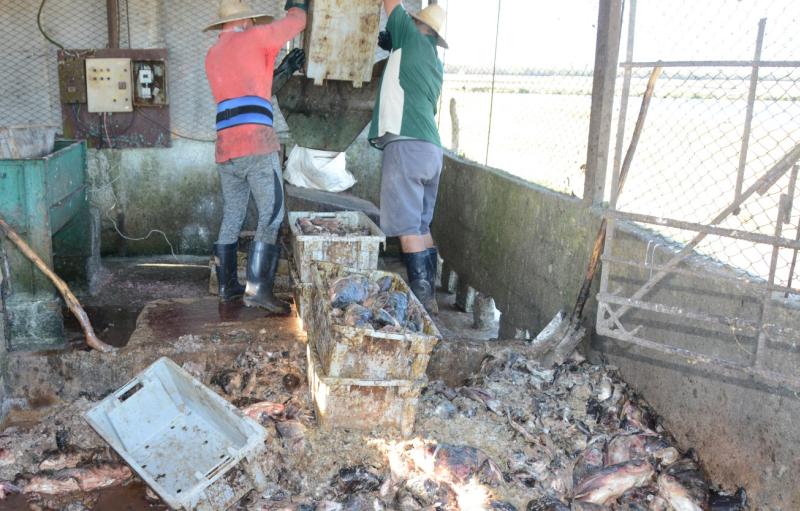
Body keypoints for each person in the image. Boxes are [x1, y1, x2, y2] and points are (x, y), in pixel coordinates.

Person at [204, 0, 307, 313]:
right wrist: (297, 5)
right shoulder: (256, 37)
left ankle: (227, 287)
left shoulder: (213, 54)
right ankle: (258, 290)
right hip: (256, 145)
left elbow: (250, 88)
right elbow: (296, 23)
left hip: (226, 148)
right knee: (272, 214)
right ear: (247, 21)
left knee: (233, 212)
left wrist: (280, 70)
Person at [369, 0, 448, 313]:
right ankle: (431, 298)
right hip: (431, 150)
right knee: (421, 225)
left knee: (406, 228)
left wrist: (398, 31)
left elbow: (391, 3)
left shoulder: (408, 34)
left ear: (419, 25)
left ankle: (421, 302)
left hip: (406, 145)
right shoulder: (433, 61)